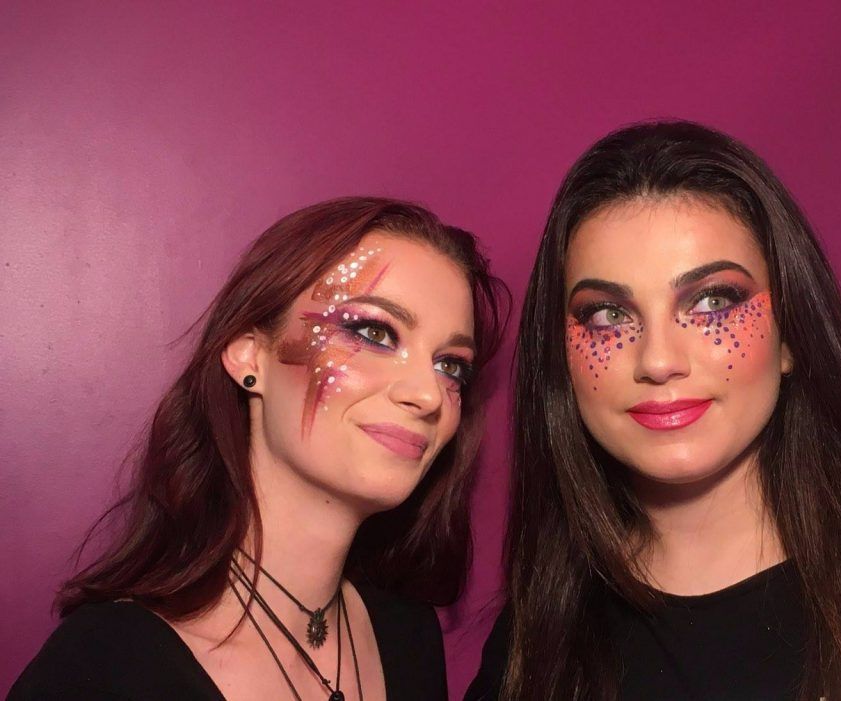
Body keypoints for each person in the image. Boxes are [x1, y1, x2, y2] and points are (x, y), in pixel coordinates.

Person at [466, 121, 841, 701]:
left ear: (791, 336)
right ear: (560, 358)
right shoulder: (537, 635)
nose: (658, 360)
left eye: (712, 302)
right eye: (608, 315)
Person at [11, 197, 508, 700]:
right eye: (374, 332)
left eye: (451, 366)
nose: (426, 395)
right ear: (250, 354)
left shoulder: (406, 637)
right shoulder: (105, 669)